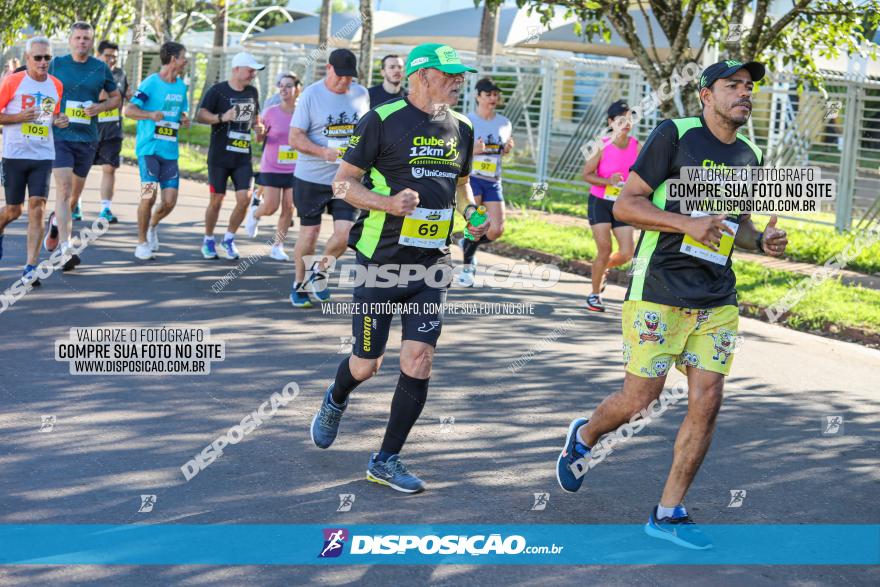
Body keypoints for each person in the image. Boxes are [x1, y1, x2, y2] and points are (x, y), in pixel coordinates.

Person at [555, 60, 790, 549]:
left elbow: (737, 227)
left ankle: (668, 512)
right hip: (658, 287)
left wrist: (760, 241)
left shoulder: (751, 152)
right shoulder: (674, 135)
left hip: (716, 293)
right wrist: (685, 224)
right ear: (706, 94)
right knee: (640, 399)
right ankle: (586, 435)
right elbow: (625, 205)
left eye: (749, 87)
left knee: (707, 400)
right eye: (733, 86)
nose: (744, 93)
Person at [308, 43, 485, 493]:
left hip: (432, 264)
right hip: (381, 260)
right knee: (367, 363)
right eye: (449, 74)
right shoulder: (381, 120)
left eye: (459, 74)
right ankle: (337, 396)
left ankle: (386, 459)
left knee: (420, 358)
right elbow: (343, 184)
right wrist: (387, 203)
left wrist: (473, 214)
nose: (458, 80)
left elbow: (460, 187)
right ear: (421, 75)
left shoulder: (462, 127)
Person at [288, 48, 368, 307]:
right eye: (341, 76)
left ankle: (318, 272)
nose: (345, 81)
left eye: (350, 77)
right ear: (329, 69)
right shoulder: (311, 94)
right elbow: (295, 137)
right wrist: (323, 151)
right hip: (311, 177)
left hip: (346, 178)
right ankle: (299, 284)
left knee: (345, 235)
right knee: (309, 234)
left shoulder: (361, 94)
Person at [45, 21, 121, 271]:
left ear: (91, 41)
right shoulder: (57, 64)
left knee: (72, 198)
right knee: (64, 190)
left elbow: (116, 98)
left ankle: (56, 221)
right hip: (61, 136)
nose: (81, 42)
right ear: (70, 40)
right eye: (77, 37)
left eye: (86, 38)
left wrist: (99, 107)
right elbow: (45, 93)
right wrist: (54, 116)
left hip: (87, 138)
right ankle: (66, 249)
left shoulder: (100, 68)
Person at [0, 37, 68, 285]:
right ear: (27, 58)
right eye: (38, 57)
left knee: (37, 207)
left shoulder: (56, 85)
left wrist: (60, 121)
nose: (43, 62)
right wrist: (19, 116)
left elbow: (54, 116)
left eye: (47, 57)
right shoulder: (13, 81)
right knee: (13, 210)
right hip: (14, 155)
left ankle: (30, 266)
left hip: (42, 155)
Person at [124, 41, 189, 260]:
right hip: (149, 150)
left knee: (170, 201)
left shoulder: (181, 86)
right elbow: (129, 110)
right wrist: (150, 115)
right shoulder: (151, 83)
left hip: (170, 152)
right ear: (173, 59)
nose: (185, 61)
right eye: (183, 57)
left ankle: (152, 225)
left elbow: (181, 111)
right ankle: (141, 243)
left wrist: (183, 118)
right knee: (148, 196)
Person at [196, 52, 264, 260]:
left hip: (243, 155)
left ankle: (228, 238)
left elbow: (255, 118)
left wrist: (258, 127)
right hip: (220, 156)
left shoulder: (252, 91)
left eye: (254, 71)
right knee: (216, 200)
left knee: (244, 199)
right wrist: (221, 117)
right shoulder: (217, 90)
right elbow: (200, 115)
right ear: (236, 69)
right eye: (250, 70)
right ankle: (208, 239)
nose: (253, 74)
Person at [581, 99, 638, 311]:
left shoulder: (637, 146)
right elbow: (586, 175)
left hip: (623, 205)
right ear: (611, 121)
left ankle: (601, 269)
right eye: (621, 119)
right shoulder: (602, 145)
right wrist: (608, 181)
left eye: (630, 118)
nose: (626, 122)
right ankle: (594, 295)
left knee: (626, 253)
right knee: (605, 249)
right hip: (600, 202)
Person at [458, 77, 512, 287]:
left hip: (493, 180)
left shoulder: (504, 123)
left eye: (495, 94)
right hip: (472, 178)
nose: (493, 98)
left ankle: (466, 243)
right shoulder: (466, 121)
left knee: (496, 229)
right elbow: (456, 151)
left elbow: (503, 149)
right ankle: (467, 268)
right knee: (476, 223)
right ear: (477, 96)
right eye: (488, 94)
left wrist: (507, 150)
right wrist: (475, 150)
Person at [245, 72, 302, 261]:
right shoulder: (271, 112)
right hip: (272, 165)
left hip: (295, 167)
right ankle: (255, 213)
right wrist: (259, 132)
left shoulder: (303, 111)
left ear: (297, 89)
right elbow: (260, 138)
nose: (284, 89)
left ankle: (278, 246)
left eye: (288, 85)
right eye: (281, 85)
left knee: (289, 207)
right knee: (270, 207)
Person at [92, 40, 132, 224]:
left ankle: (105, 208)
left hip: (112, 130)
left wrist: (145, 98)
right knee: (80, 171)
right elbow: (100, 96)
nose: (111, 60)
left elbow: (129, 93)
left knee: (109, 169)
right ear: (98, 55)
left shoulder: (120, 74)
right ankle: (75, 204)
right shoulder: (90, 71)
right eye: (107, 56)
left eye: (114, 57)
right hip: (90, 129)